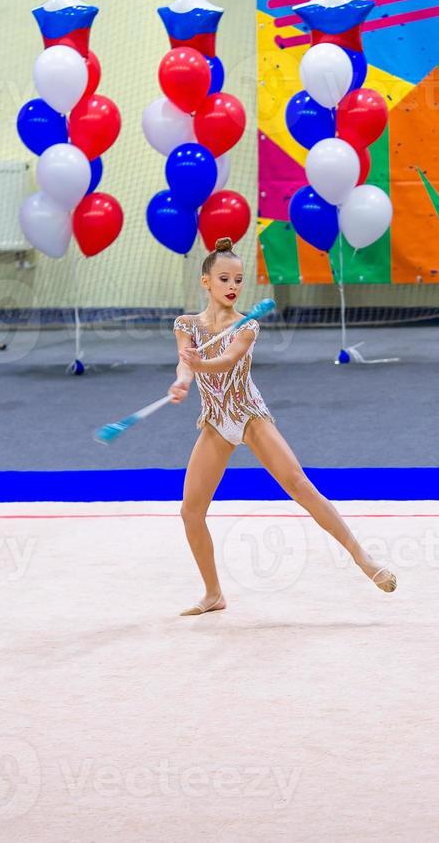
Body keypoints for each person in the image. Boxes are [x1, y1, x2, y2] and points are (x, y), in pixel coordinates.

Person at [169, 236, 396, 615]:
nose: (233, 287)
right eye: (224, 279)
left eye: (239, 280)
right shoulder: (186, 324)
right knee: (190, 511)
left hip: (248, 414)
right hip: (215, 419)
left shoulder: (247, 326)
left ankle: (362, 558)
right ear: (206, 282)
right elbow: (184, 362)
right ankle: (213, 594)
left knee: (300, 485)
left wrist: (198, 365)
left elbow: (226, 361)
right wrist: (182, 379)